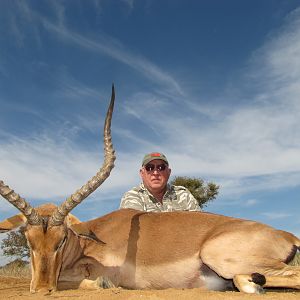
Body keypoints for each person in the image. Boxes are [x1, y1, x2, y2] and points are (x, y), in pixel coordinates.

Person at [120, 152, 200, 212]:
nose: (155, 173)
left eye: (161, 167)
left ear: (169, 172)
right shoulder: (132, 196)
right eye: (150, 168)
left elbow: (199, 225)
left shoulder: (183, 194)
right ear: (142, 173)